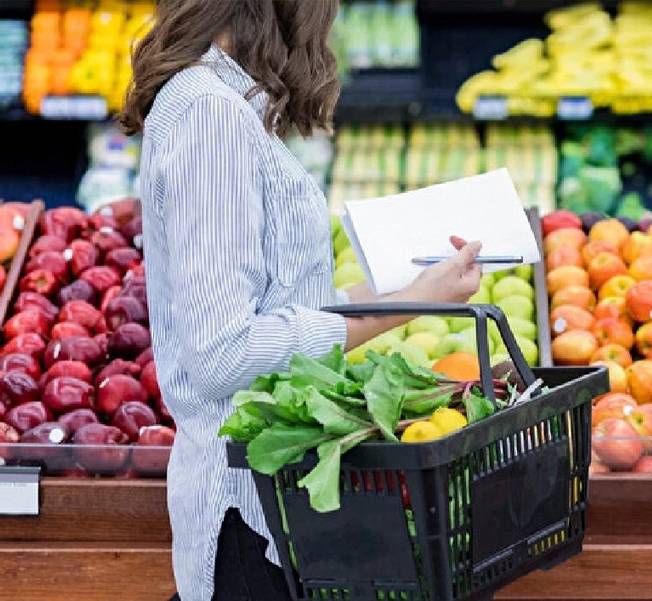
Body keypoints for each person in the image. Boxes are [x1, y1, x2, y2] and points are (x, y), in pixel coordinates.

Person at [118, 1, 483, 599]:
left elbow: (283, 306)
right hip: (245, 513)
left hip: (276, 500)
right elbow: (224, 353)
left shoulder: (221, 106)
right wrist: (403, 307)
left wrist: (416, 290)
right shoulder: (210, 116)